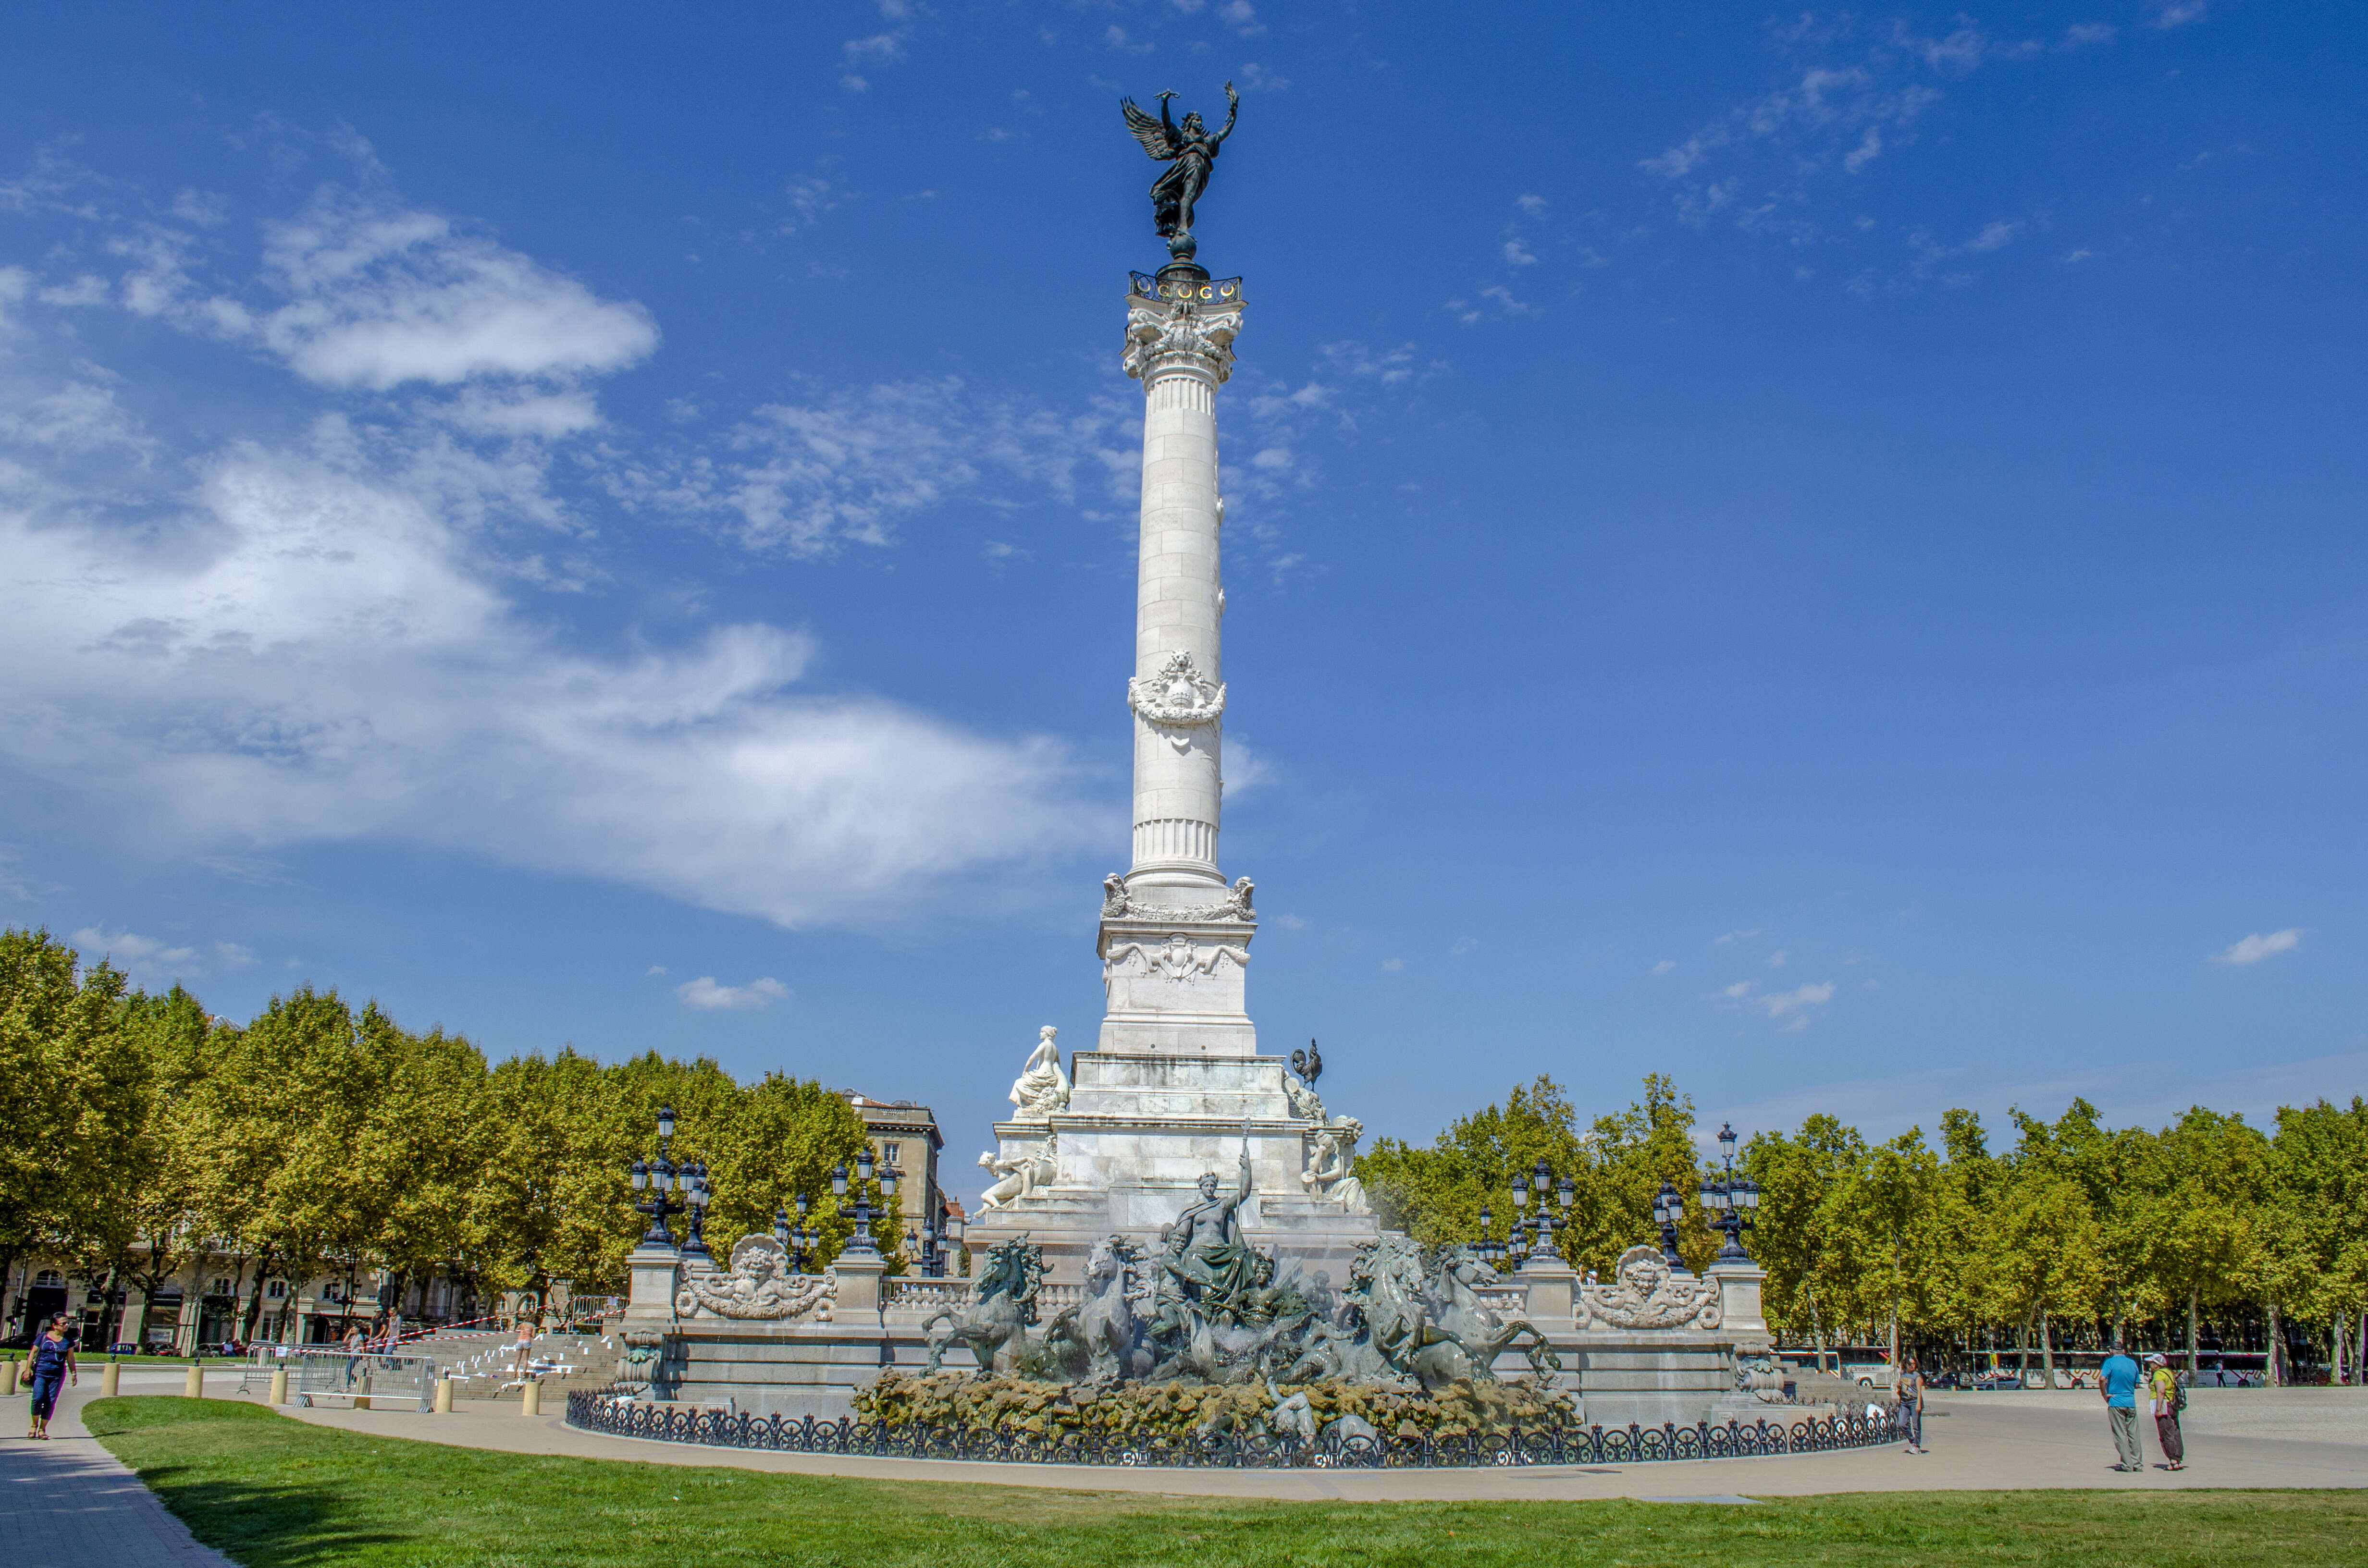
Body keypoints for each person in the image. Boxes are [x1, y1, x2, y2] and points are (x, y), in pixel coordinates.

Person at [25, 1315, 77, 1440]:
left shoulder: (68, 1339)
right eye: (63, 1324)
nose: (66, 1326)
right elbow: (33, 1352)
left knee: (50, 1401)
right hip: (41, 1373)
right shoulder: (43, 1336)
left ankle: (42, 1429)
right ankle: (34, 1425)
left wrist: (74, 1373)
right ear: (55, 1325)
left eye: (67, 1323)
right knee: (38, 1398)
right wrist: (27, 1369)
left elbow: (70, 1357)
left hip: (57, 1375)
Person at [2099, 1341, 2143, 1471]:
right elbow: (2136, 1384)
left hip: (2116, 1401)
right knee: (2134, 1434)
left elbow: (2102, 1379)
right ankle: (2137, 1464)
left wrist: (2105, 1394)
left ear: (2112, 1351)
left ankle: (2127, 1464)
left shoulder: (2110, 1362)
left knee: (2120, 1434)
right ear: (2123, 1351)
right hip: (2130, 1402)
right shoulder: (2132, 1363)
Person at [2146, 1352, 2186, 1470]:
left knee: (2166, 1433)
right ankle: (2178, 1458)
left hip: (2164, 1406)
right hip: (2172, 1404)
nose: (2150, 1366)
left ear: (2157, 1365)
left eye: (2151, 1363)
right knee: (2175, 1431)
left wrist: (2158, 1409)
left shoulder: (2159, 1375)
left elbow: (2161, 1392)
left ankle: (2173, 1460)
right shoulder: (2169, 1372)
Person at [1897, 1355, 1928, 1454]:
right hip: (1904, 1402)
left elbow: (1919, 1391)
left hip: (1914, 1401)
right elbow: (1900, 1386)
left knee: (1916, 1425)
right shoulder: (1903, 1373)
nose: (1913, 1366)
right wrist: (1898, 1386)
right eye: (1911, 1364)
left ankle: (1917, 1446)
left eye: (1914, 1364)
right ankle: (1912, 1441)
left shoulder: (1917, 1376)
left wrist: (1919, 1404)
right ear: (1906, 1364)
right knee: (1901, 1424)